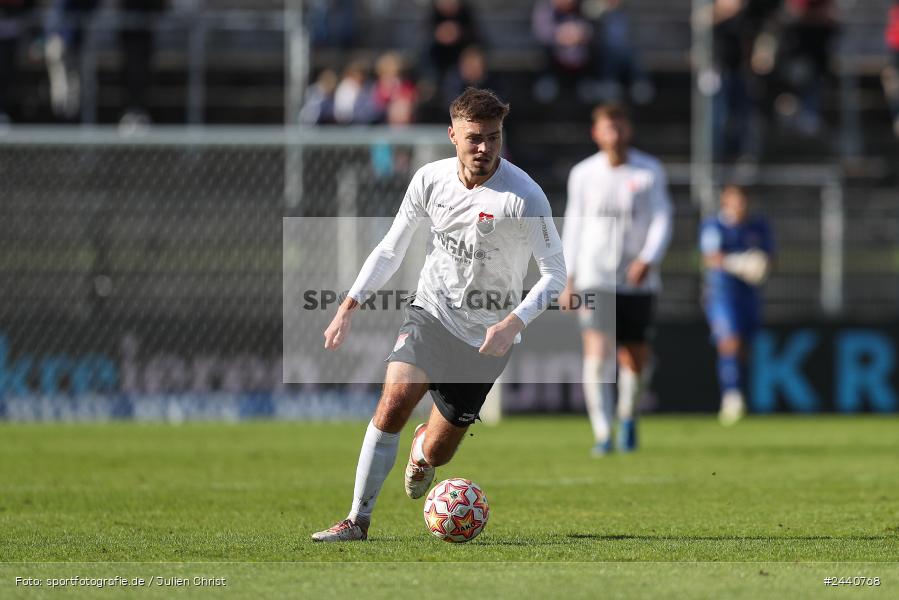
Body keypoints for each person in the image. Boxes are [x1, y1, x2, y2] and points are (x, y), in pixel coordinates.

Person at [311, 88, 566, 542]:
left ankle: (421, 454)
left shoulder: (525, 197)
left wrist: (513, 322)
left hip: (487, 337)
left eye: (493, 137)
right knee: (393, 404)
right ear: (453, 135)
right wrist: (349, 305)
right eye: (474, 138)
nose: (484, 148)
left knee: (440, 450)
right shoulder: (429, 180)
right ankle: (356, 520)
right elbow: (391, 248)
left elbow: (554, 274)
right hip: (431, 312)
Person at [560, 103, 673, 456]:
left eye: (620, 127)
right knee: (596, 352)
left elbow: (662, 218)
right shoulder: (583, 173)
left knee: (635, 357)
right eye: (608, 128)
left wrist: (648, 259)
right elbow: (574, 224)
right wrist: (568, 277)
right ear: (596, 133)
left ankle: (627, 414)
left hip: (636, 279)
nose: (615, 134)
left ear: (629, 131)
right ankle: (603, 432)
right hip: (594, 275)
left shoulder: (649, 170)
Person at [699, 184, 773, 425]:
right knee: (730, 341)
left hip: (749, 294)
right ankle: (731, 398)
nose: (739, 205)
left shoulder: (758, 226)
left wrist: (761, 265)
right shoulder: (715, 226)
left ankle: (738, 391)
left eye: (742, 200)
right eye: (734, 200)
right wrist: (739, 263)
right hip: (722, 293)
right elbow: (711, 257)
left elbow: (770, 259)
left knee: (745, 349)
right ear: (725, 202)